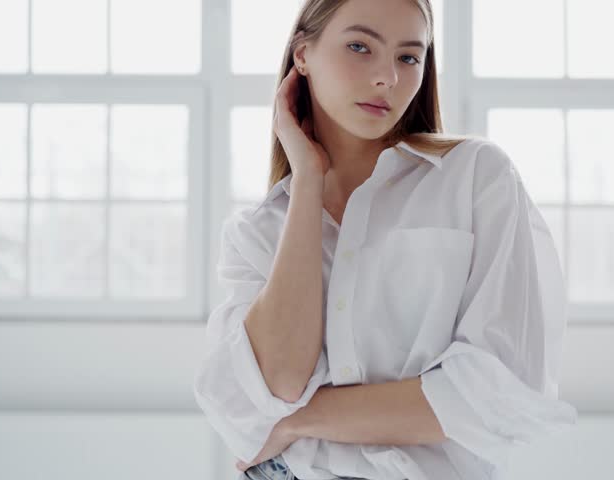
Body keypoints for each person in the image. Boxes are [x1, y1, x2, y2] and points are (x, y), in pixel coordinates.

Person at [192, 0, 578, 479]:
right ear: (303, 55)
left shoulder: (476, 177)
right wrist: (308, 180)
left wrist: (300, 421)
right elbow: (278, 383)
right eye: (360, 46)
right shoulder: (258, 233)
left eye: (408, 57)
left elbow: (494, 393)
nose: (387, 79)